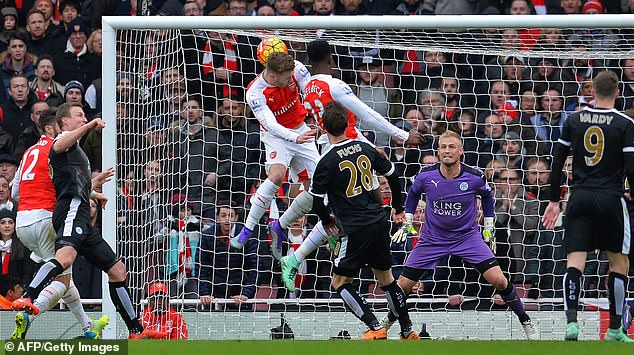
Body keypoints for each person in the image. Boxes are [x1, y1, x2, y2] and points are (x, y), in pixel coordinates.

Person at [277, 39, 422, 282]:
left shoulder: (308, 85)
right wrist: (404, 135)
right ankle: (394, 213)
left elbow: (299, 69)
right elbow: (368, 115)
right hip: (349, 146)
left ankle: (287, 233)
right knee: (377, 185)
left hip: (329, 145)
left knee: (339, 202)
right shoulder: (335, 85)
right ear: (331, 59)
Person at [10, 103, 153, 339]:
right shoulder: (59, 143)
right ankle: (28, 300)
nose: (84, 117)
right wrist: (89, 125)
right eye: (80, 115)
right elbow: (59, 147)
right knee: (64, 267)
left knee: (116, 270)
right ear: (59, 123)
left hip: (39, 219)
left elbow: (56, 186)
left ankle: (129, 329)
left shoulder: (35, 152)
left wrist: (93, 189)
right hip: (62, 214)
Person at [383, 130, 540, 340]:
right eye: (444, 147)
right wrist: (408, 220)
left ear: (460, 151)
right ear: (438, 151)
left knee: (499, 281)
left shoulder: (474, 176)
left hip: (467, 238)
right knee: (402, 286)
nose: (447, 151)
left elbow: (487, 197)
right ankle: (385, 324)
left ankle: (525, 320)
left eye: (451, 147)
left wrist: (489, 225)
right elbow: (412, 195)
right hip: (432, 239)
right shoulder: (425, 176)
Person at [307, 101, 418, 340]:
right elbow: (393, 175)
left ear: (322, 127)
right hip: (378, 222)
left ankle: (375, 326)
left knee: (339, 282)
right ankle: (408, 330)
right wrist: (398, 206)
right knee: (386, 278)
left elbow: (316, 203)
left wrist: (327, 221)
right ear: (348, 123)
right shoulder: (366, 148)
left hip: (355, 227)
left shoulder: (325, 161)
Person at [542, 70, 634, 342]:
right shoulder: (625, 123)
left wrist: (553, 200)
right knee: (619, 263)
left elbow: (557, 161)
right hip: (610, 197)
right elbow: (631, 166)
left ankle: (572, 323)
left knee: (575, 262)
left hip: (579, 197)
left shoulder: (574, 119)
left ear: (591, 91)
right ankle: (615, 329)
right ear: (617, 92)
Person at [10, 108, 109, 339]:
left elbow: (15, 191)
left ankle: (87, 327)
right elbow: (67, 188)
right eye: (59, 127)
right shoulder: (57, 150)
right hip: (46, 219)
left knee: (65, 278)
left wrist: (92, 189)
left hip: (23, 223)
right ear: (51, 128)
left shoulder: (28, 152)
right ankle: (28, 314)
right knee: (62, 280)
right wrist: (93, 189)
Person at [230, 51, 318, 250]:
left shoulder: (295, 69)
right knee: (277, 176)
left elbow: (312, 95)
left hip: (301, 130)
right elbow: (270, 124)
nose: (290, 80)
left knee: (318, 185)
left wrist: (315, 120)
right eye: (286, 78)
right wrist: (295, 137)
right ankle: (248, 227)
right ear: (272, 76)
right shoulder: (255, 92)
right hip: (277, 137)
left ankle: (280, 225)